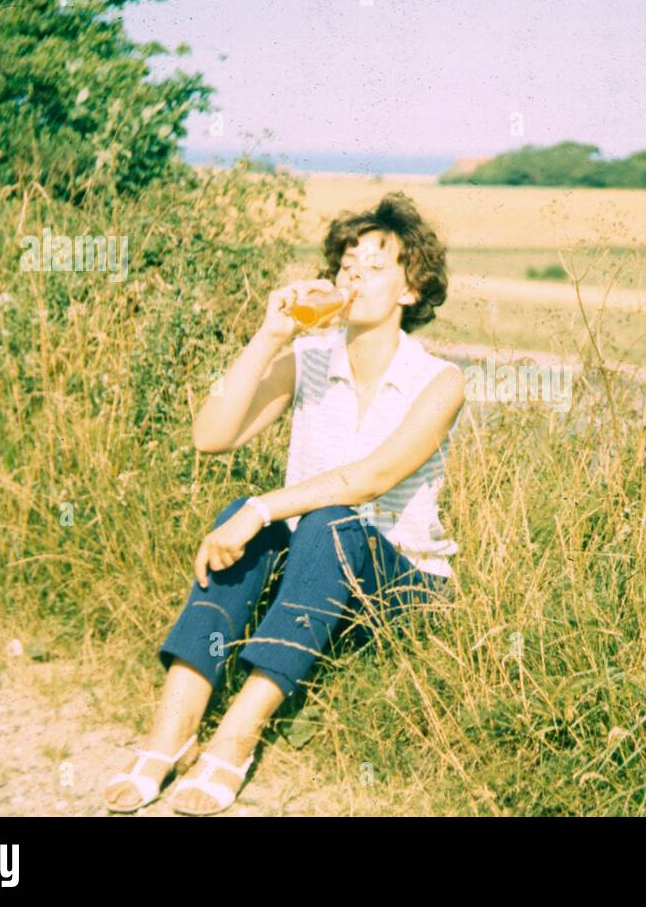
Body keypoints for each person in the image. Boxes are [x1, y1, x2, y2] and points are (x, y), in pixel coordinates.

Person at [103, 192, 465, 815]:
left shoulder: (440, 379)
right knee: (251, 520)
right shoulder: (308, 359)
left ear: (412, 288)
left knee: (316, 518)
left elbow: (372, 478)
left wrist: (263, 507)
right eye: (347, 264)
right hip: (313, 575)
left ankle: (234, 741)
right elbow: (211, 435)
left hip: (403, 587)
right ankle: (169, 735)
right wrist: (269, 335)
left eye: (375, 266)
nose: (354, 275)